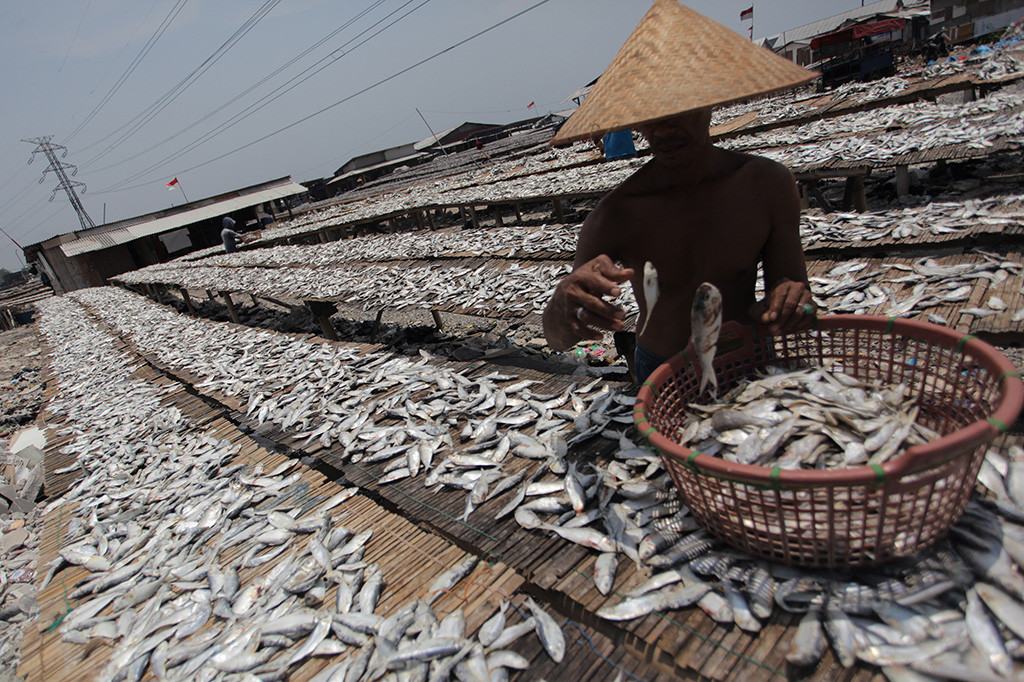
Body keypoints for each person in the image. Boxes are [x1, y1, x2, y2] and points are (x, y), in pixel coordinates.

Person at [542, 0, 818, 384]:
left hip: (746, 356)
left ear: (708, 102)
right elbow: (557, 338)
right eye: (648, 117)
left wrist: (792, 303)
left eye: (678, 111)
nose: (662, 130)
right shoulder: (617, 214)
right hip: (665, 368)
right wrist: (562, 306)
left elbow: (790, 286)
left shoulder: (766, 184)